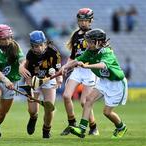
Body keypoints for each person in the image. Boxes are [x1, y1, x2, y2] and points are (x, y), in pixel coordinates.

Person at [61, 28, 128, 138]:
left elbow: (103, 65)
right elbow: (78, 60)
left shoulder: (107, 52)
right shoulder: (90, 51)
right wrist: (65, 66)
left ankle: (121, 127)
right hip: (103, 80)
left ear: (99, 42)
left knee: (107, 112)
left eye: (90, 41)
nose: (87, 44)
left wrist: (87, 66)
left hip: (116, 83)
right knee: (88, 99)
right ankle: (82, 129)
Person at [60, 8, 99, 136]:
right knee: (66, 96)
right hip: (77, 70)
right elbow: (73, 55)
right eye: (81, 20)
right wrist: (66, 67)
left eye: (86, 21)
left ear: (91, 21)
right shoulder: (76, 34)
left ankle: (93, 127)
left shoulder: (95, 35)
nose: (83, 23)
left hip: (90, 70)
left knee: (84, 102)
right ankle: (72, 123)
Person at [19, 30, 62, 138]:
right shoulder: (30, 54)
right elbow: (27, 74)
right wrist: (29, 84)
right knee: (32, 110)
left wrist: (59, 79)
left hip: (48, 79)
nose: (38, 48)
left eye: (40, 45)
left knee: (49, 106)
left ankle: (46, 130)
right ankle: (33, 117)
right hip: (34, 80)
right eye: (35, 46)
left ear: (45, 43)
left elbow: (59, 69)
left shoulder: (53, 52)